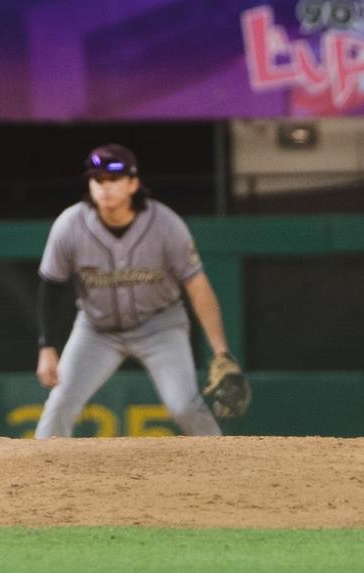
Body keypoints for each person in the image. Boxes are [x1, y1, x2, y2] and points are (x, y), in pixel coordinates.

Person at [32, 144, 236, 438]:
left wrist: (221, 351)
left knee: (184, 407)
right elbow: (51, 285)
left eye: (113, 180)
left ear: (133, 183)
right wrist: (46, 346)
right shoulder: (70, 225)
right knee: (60, 403)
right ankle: (40, 478)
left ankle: (224, 466)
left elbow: (197, 286)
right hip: (97, 330)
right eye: (97, 180)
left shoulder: (165, 224)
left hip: (160, 326)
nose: (105, 188)